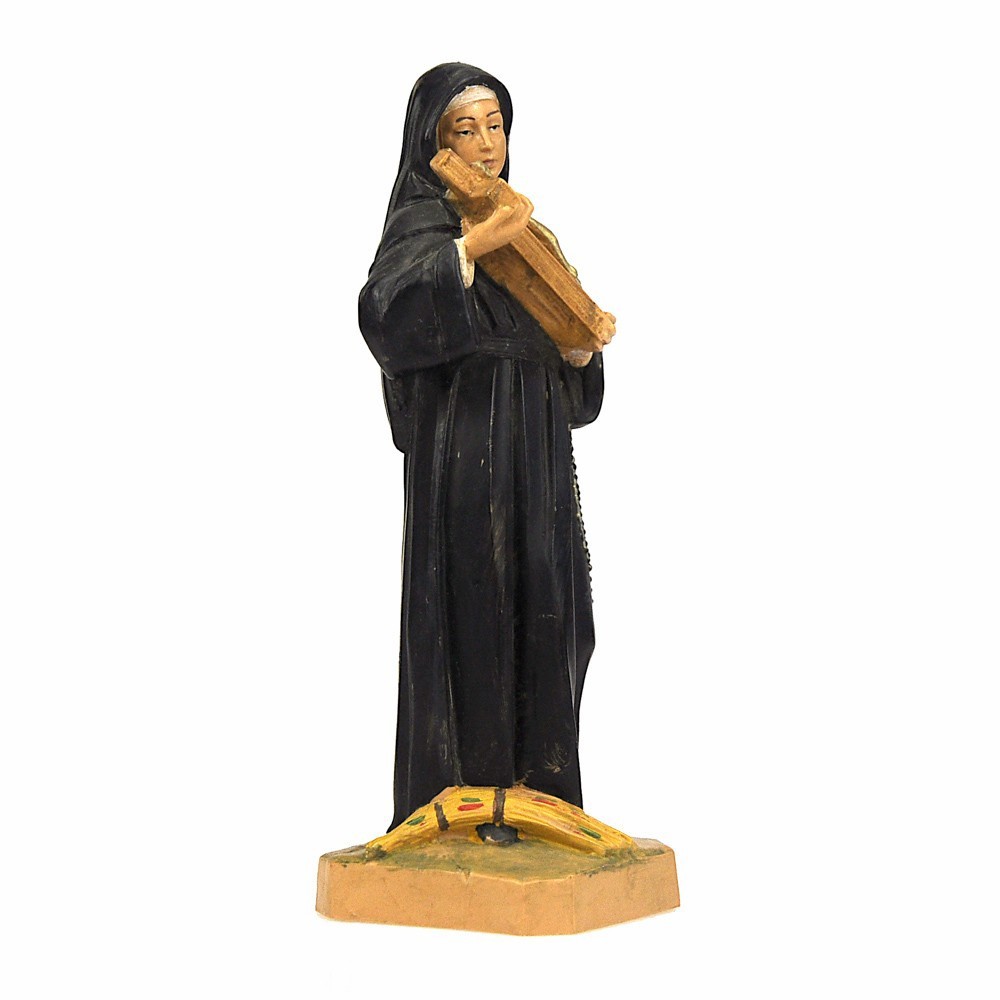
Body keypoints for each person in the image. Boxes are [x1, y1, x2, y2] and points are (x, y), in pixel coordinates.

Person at [359, 63, 614, 833]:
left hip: (536, 451)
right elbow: (384, 316)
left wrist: (578, 354)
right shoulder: (425, 222)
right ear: (433, 141)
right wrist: (468, 250)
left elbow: (563, 354)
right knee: (480, 603)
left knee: (550, 604)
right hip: (469, 446)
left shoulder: (531, 234)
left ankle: (544, 797)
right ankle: (472, 801)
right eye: (464, 129)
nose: (484, 143)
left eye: (494, 125)